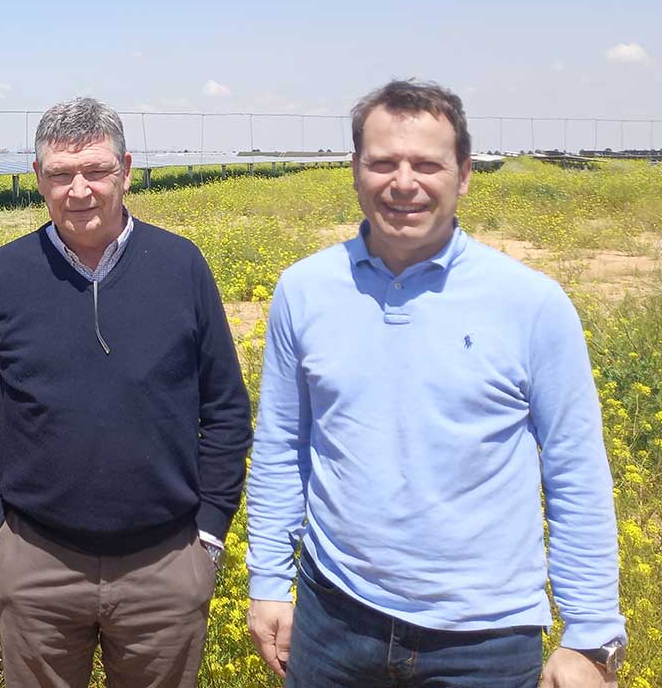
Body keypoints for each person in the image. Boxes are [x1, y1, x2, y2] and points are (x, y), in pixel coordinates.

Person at [246, 79, 626, 688]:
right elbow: (281, 446)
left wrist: (591, 635)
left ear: (465, 173)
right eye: (383, 163)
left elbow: (576, 471)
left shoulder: (532, 305)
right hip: (333, 620)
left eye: (427, 164)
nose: (403, 183)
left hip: (487, 642)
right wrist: (267, 579)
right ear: (354, 170)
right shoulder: (304, 290)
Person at [0, 97, 253, 688]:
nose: (80, 190)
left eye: (97, 170)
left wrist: (211, 535)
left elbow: (224, 408)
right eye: (61, 174)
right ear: (38, 178)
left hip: (165, 564)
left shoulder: (181, 266)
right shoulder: (5, 274)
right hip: (37, 564)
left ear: (127, 170)